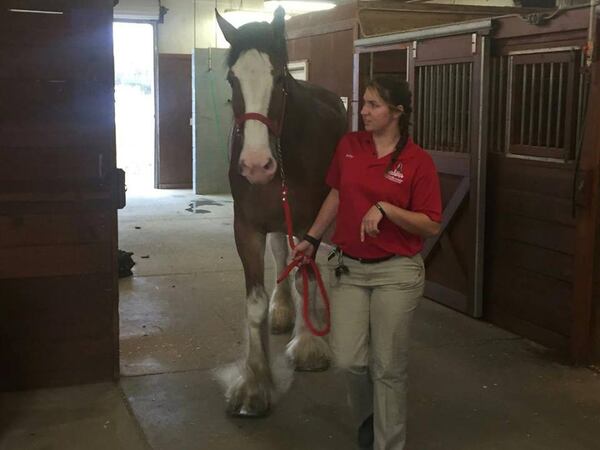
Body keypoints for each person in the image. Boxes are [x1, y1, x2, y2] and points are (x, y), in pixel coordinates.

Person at [293, 76, 442, 450]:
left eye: (373, 105)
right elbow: (337, 193)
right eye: (364, 103)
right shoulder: (349, 146)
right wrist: (311, 239)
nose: (363, 111)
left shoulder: (417, 161)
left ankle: (386, 443)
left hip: (397, 271)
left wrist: (388, 209)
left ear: (397, 112)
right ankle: (369, 419)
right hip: (349, 268)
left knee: (388, 367)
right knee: (349, 361)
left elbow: (431, 223)